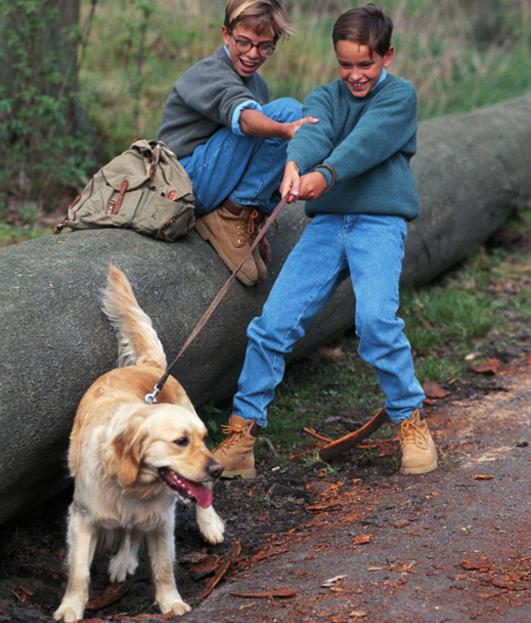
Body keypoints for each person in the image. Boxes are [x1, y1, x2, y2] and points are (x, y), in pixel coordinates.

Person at [212, 3, 438, 479]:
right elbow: (315, 132)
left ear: (387, 56)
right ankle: (240, 436)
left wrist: (324, 175)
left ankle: (410, 421)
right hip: (328, 224)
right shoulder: (327, 96)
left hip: (379, 223)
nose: (355, 75)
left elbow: (367, 144)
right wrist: (296, 164)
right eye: (346, 64)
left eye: (365, 64)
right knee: (273, 323)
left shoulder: (399, 97)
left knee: (376, 320)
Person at [158, 0, 317, 286]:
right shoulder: (209, 72)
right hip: (181, 183)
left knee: (283, 123)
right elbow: (243, 119)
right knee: (287, 113)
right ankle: (229, 215)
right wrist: (285, 128)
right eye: (244, 42)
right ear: (225, 35)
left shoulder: (258, 85)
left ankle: (244, 215)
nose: (252, 53)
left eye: (264, 46)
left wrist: (258, 221)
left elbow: (263, 157)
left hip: (215, 177)